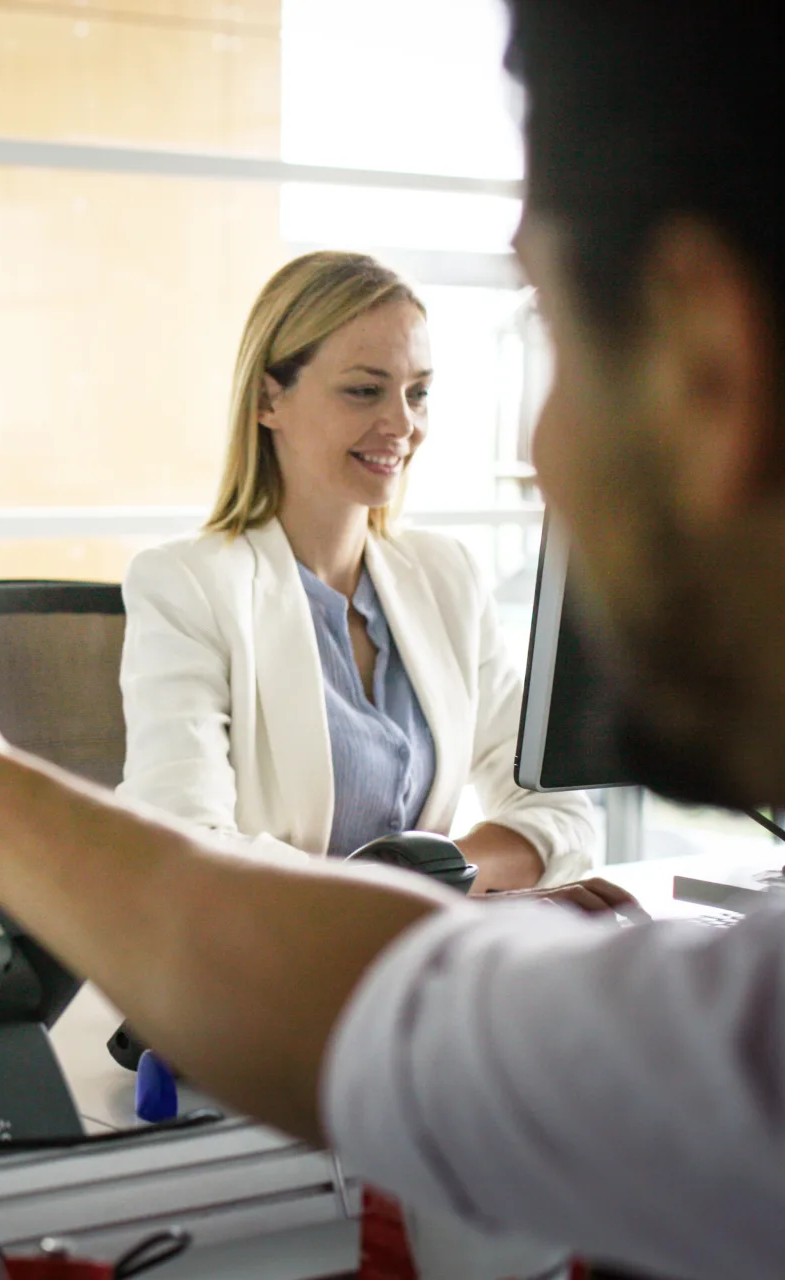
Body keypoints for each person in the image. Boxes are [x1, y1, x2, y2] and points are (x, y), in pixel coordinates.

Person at [0, 1, 785, 1273]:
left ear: (712, 365)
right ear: (272, 398)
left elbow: (418, 976)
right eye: (369, 388)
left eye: (551, 340)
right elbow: (380, 985)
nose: (527, 451)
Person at [120, 251, 596, 890]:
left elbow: (561, 811)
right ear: (268, 399)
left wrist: (427, 884)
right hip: (264, 969)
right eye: (365, 390)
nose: (403, 424)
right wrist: (406, 892)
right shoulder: (188, 587)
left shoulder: (446, 576)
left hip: (416, 964)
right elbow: (184, 848)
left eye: (418, 392)